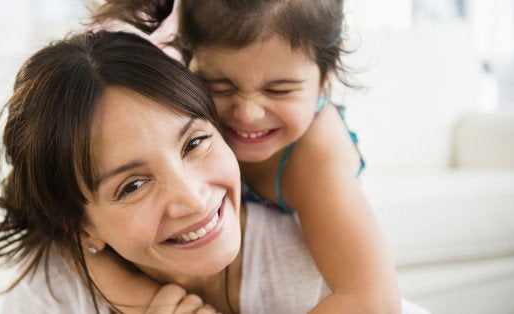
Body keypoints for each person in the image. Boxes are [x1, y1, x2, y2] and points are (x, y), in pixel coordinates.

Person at [0, 30, 339, 313]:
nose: (192, 198)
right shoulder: (52, 295)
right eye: (132, 185)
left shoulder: (315, 257)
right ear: (80, 226)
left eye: (195, 143)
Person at [89, 0, 405, 312]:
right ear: (186, 65)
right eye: (220, 86)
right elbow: (77, 231)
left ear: (325, 79)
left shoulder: (315, 156)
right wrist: (143, 301)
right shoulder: (175, 114)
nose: (248, 114)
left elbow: (372, 301)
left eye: (279, 91)